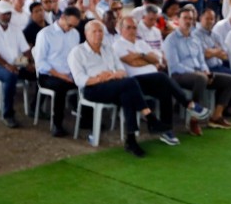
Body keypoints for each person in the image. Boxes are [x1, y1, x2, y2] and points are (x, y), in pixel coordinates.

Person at [68, 20, 165, 157]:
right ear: (86, 34)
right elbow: (79, 80)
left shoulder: (108, 49)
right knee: (130, 83)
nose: (98, 34)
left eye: (100, 31)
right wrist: (100, 78)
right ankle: (149, 117)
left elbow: (122, 71)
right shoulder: (77, 52)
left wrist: (111, 75)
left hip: (114, 85)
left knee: (127, 95)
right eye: (94, 31)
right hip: (92, 89)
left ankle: (131, 140)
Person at [164, 6, 231, 130]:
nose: (188, 21)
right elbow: (174, 65)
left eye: (191, 19)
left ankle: (216, 117)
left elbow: (201, 60)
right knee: (201, 79)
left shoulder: (195, 39)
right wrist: (198, 73)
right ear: (178, 19)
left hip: (198, 73)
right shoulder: (171, 39)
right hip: (179, 75)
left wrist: (206, 71)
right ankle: (194, 119)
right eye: (185, 18)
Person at [0, 0, 34, 128]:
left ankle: (35, 108)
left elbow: (25, 50)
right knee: (10, 75)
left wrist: (29, 62)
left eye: (9, 14)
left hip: (15, 62)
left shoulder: (15, 29)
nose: (7, 16)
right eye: (4, 14)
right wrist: (6, 65)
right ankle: (7, 114)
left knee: (39, 71)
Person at [33, 6, 82, 137]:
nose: (70, 28)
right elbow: (40, 62)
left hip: (69, 73)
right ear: (62, 18)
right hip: (48, 74)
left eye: (74, 26)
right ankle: (57, 124)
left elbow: (75, 57)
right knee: (60, 87)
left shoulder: (75, 34)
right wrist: (61, 75)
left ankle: (85, 118)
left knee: (87, 82)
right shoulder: (45, 34)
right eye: (69, 24)